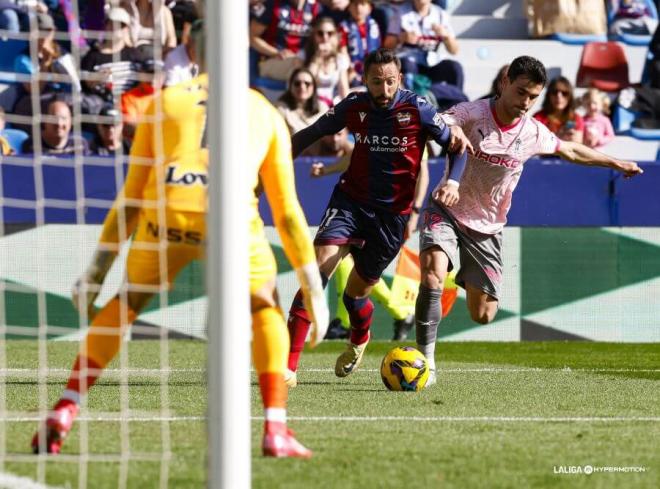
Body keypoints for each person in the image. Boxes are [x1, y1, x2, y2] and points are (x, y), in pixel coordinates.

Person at [414, 56, 643, 386]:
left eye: (533, 97)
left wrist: (615, 162)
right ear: (505, 81)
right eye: (521, 92)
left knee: (483, 315)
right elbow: (442, 123)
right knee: (432, 277)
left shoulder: (533, 132)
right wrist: (449, 132)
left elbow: (572, 151)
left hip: (487, 227)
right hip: (446, 209)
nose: (525, 103)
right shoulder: (472, 113)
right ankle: (426, 361)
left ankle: (461, 273)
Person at [283, 47, 470, 386]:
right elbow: (311, 134)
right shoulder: (354, 106)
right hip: (350, 202)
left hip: (391, 218)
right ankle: (288, 368)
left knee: (355, 295)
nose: (383, 91)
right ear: (364, 80)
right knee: (317, 270)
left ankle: (358, 338)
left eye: (390, 82)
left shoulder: (418, 109)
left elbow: (458, 147)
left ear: (400, 78)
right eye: (376, 82)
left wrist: (453, 182)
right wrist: (275, 164)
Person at [384, 0, 463, 91]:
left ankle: (457, 102)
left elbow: (454, 50)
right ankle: (411, 102)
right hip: (409, 60)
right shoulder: (400, 13)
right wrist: (401, 38)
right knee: (407, 65)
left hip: (432, 61)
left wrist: (446, 36)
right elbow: (387, 46)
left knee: (455, 68)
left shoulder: (440, 14)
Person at [249, 0, 320, 81]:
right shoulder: (271, 4)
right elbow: (252, 37)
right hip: (273, 59)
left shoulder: (315, 7)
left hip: (302, 60)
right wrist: (276, 52)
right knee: (298, 70)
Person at [275, 67, 330, 143]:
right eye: (297, 83)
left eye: (307, 84)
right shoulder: (281, 109)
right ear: (290, 86)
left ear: (314, 87)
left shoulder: (323, 108)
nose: (302, 87)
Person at [304, 16, 350, 105]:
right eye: (320, 33)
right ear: (314, 36)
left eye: (330, 33)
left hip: (329, 106)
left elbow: (343, 89)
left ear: (335, 35)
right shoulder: (304, 55)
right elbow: (306, 83)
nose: (325, 37)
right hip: (308, 103)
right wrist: (317, 58)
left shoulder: (340, 59)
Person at [338, 0, 382, 87]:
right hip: (353, 70)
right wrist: (349, 69)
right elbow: (342, 51)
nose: (358, 8)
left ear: (369, 8)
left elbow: (380, 48)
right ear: (349, 7)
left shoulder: (375, 25)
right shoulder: (344, 27)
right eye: (355, 4)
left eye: (362, 4)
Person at [22, 99, 89, 155]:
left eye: (63, 118)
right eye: (54, 118)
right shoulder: (33, 144)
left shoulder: (80, 144)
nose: (59, 123)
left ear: (71, 122)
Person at [533, 76, 583, 143]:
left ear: (570, 96)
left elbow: (578, 145)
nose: (559, 96)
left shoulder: (576, 118)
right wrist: (559, 138)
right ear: (548, 95)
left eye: (564, 93)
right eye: (554, 92)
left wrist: (574, 139)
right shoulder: (538, 118)